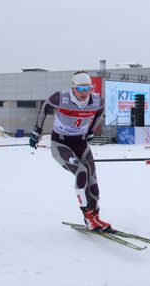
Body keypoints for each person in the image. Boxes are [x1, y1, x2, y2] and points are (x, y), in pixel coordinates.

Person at [29, 71, 112, 232]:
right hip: (61, 143)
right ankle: (87, 214)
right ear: (73, 88)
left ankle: (95, 215)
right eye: (80, 90)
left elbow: (100, 113)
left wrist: (91, 131)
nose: (84, 93)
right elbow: (44, 108)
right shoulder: (60, 98)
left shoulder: (96, 101)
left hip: (80, 142)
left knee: (92, 177)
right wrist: (37, 132)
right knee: (81, 171)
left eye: (87, 89)